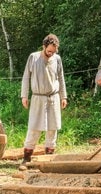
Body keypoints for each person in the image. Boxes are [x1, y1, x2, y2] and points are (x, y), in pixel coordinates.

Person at [19, 34, 68, 170]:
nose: (51, 54)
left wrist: (64, 97)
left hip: (53, 97)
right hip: (38, 98)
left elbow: (61, 78)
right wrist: (24, 95)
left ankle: (49, 160)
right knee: (34, 128)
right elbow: (26, 77)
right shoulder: (33, 58)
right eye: (49, 51)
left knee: (52, 129)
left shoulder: (57, 59)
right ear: (44, 47)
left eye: (54, 51)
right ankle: (26, 159)